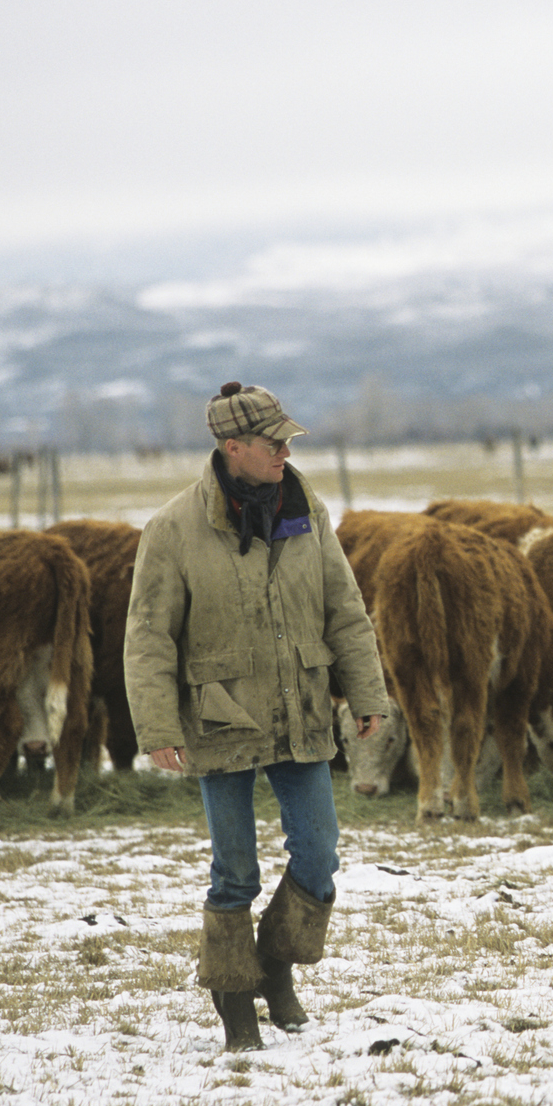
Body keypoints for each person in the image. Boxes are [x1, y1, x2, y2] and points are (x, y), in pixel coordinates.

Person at [125, 381, 393, 1052]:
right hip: (220, 721)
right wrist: (157, 728)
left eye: (288, 440)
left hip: (301, 709)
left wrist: (368, 693)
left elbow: (344, 608)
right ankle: (233, 998)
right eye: (273, 442)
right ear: (231, 447)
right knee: (235, 872)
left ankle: (272, 969)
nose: (285, 451)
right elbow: (150, 635)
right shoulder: (173, 530)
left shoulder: (309, 510)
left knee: (319, 856)